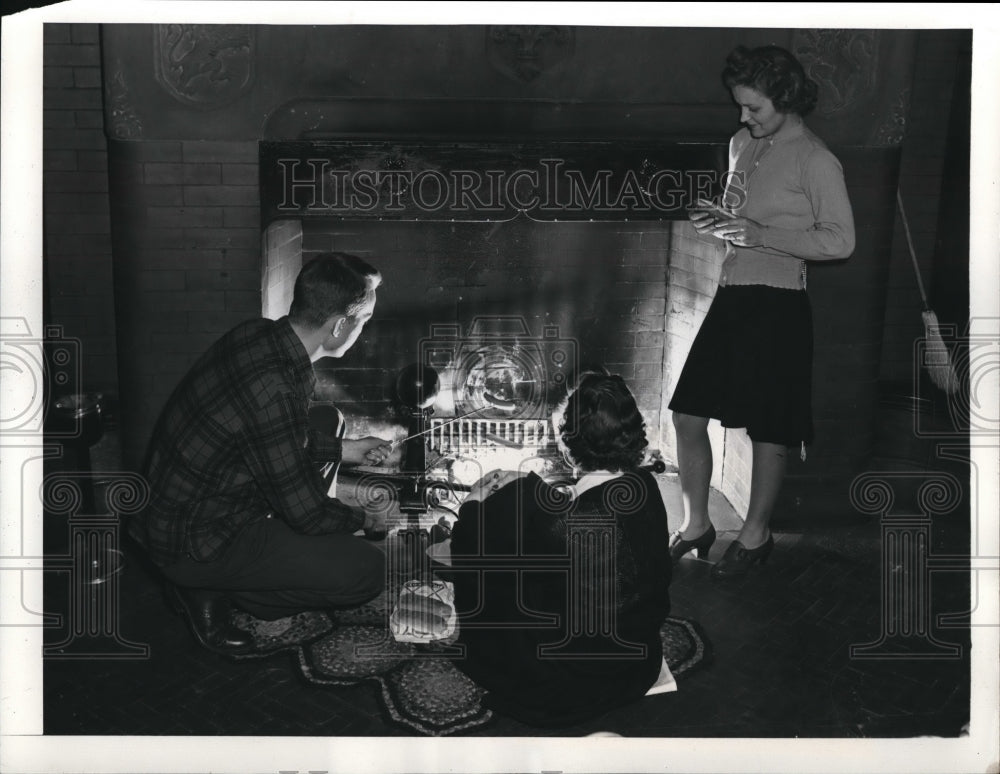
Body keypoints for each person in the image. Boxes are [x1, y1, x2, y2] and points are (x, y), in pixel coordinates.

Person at [130, 252, 395, 655]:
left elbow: (273, 435)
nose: (364, 331)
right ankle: (214, 589)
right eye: (364, 321)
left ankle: (273, 557)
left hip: (183, 509)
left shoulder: (259, 334)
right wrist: (368, 517)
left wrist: (346, 449)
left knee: (327, 421)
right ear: (340, 326)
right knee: (368, 571)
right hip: (197, 542)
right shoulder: (275, 390)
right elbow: (306, 513)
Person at [669, 45, 855, 579]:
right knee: (687, 414)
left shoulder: (815, 158)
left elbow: (840, 240)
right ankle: (696, 525)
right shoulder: (741, 144)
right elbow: (743, 216)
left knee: (771, 428)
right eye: (741, 107)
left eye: (754, 109)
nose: (743, 117)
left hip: (780, 305)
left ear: (788, 99)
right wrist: (720, 221)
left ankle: (756, 535)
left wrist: (760, 235)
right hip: (734, 295)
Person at [449, 374, 672, 727]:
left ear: (568, 448)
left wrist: (474, 503)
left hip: (567, 681)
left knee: (495, 571)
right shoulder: (646, 485)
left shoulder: (552, 521)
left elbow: (467, 546)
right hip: (635, 664)